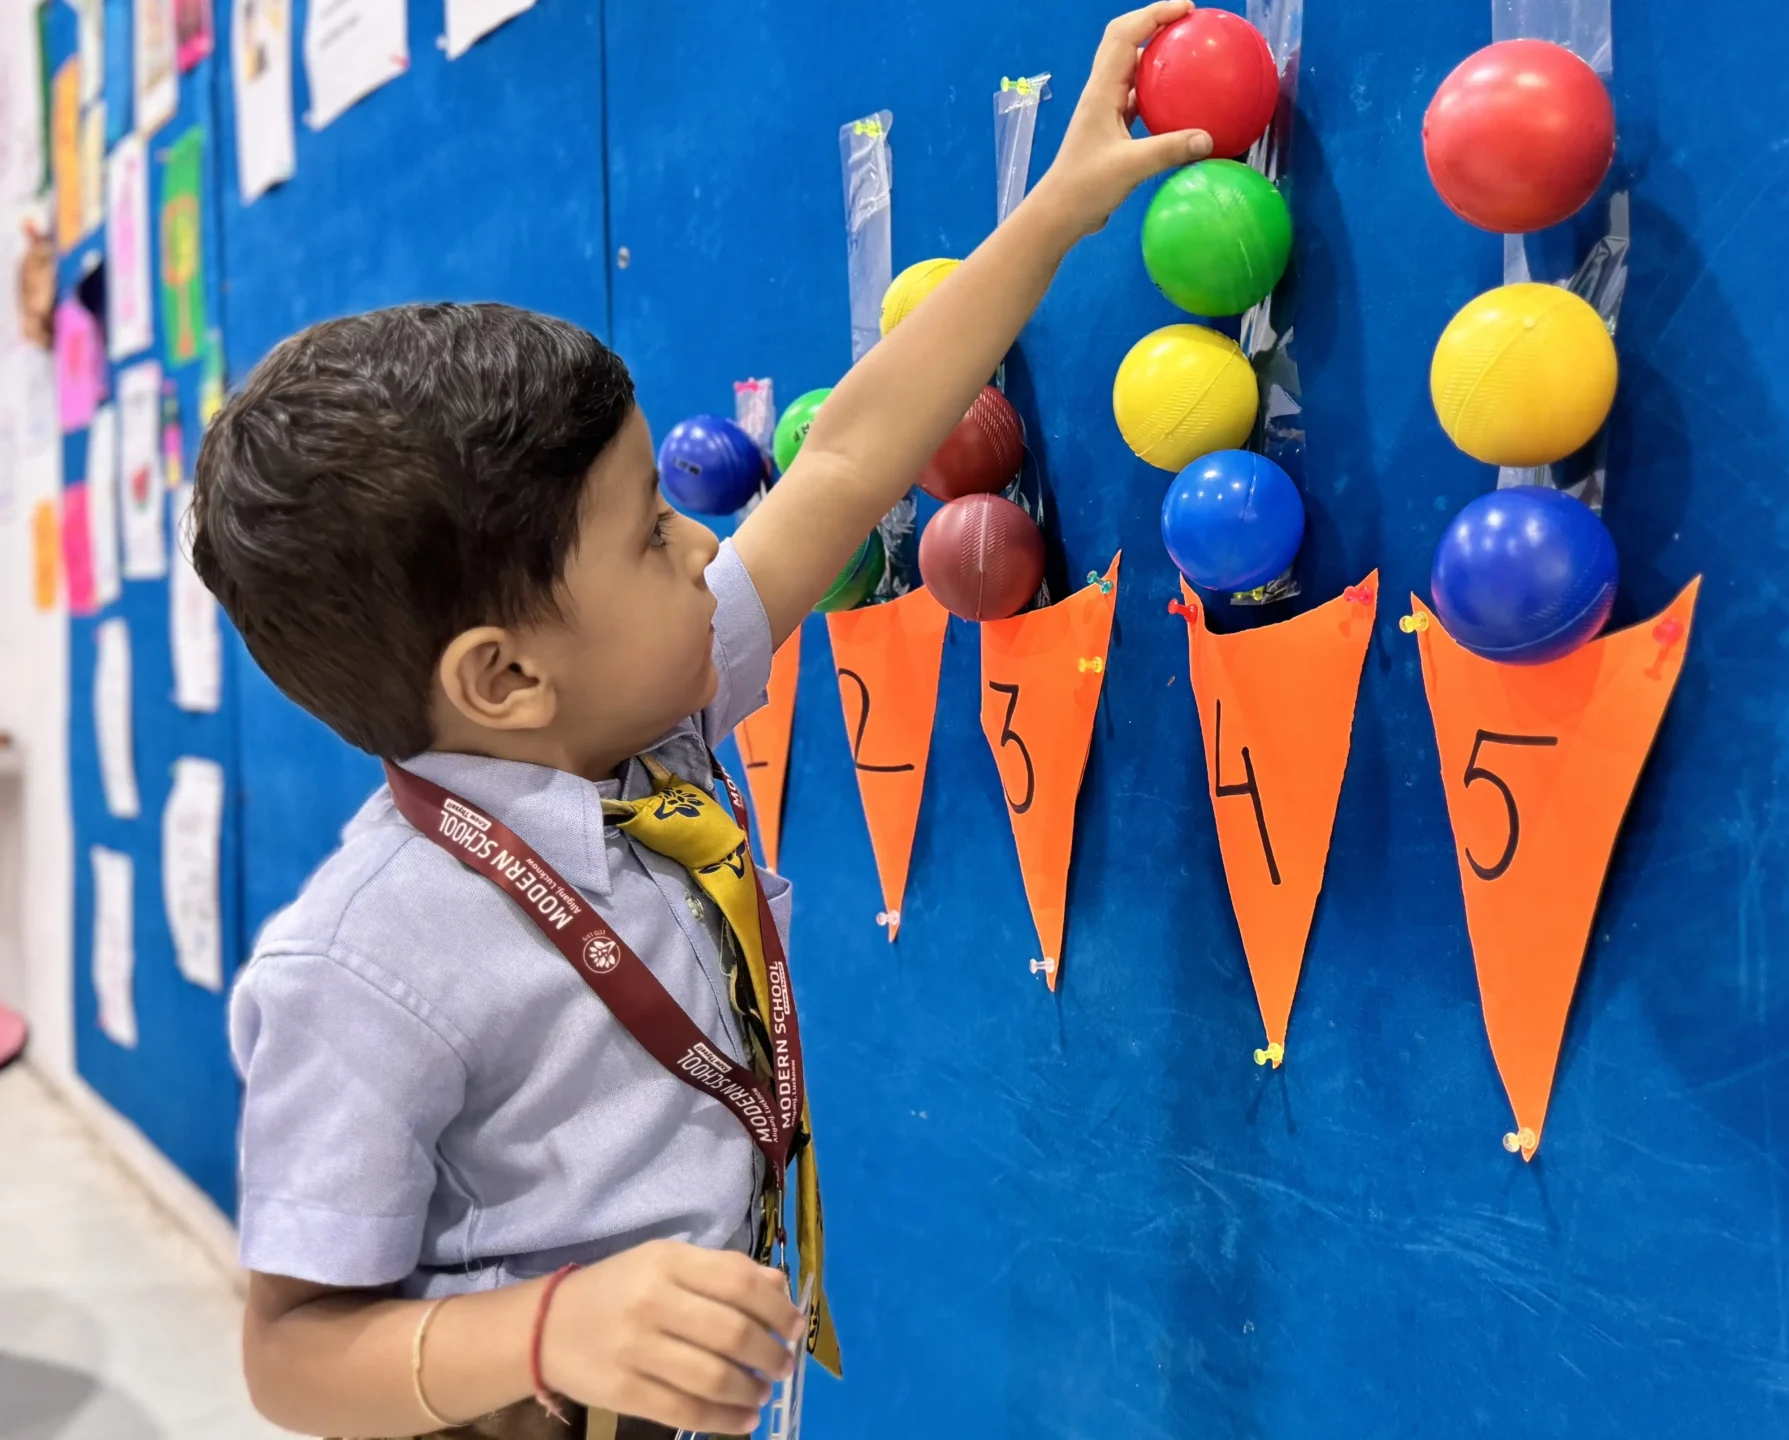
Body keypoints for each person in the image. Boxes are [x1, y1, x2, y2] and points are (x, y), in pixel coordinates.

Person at [192, 7, 1215, 1435]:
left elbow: (846, 461)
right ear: (504, 679)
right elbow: (290, 1355)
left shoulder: (636, 721)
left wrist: (1053, 214)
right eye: (647, 534)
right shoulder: (364, 961)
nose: (701, 546)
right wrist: (549, 1328)